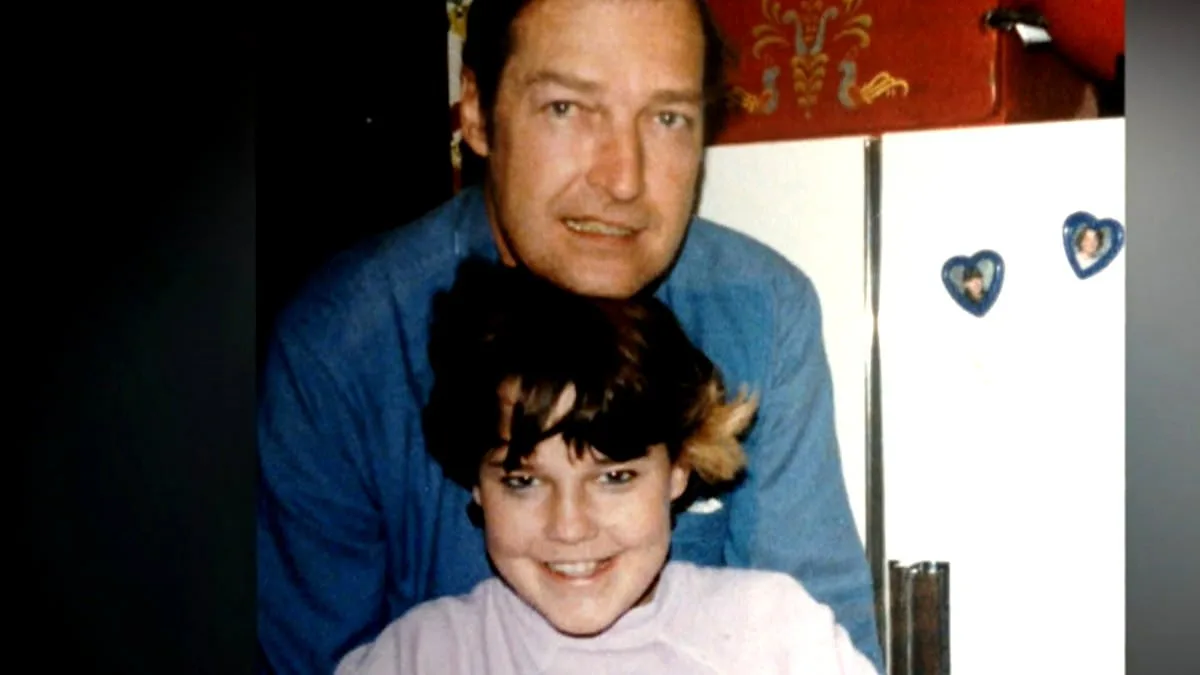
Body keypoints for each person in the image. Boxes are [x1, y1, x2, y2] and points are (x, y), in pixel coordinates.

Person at [257, 0, 883, 672]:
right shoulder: (341, 345)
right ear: (476, 113)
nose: (624, 179)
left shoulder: (763, 311)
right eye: (567, 108)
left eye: (668, 117)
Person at [334, 259, 878, 675]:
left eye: (614, 477)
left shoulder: (777, 637)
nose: (569, 527)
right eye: (523, 482)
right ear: (476, 483)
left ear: (679, 468)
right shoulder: (419, 657)